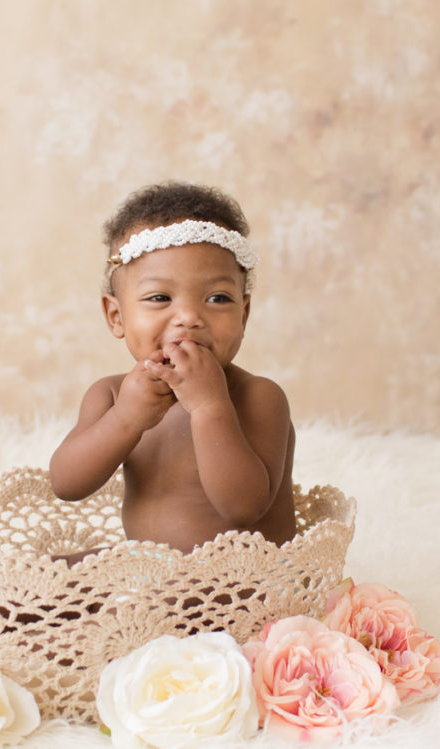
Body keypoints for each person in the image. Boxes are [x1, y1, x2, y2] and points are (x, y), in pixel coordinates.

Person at [49, 181, 295, 560]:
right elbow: (66, 483)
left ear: (243, 315)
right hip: (145, 569)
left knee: (119, 611)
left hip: (240, 586)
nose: (190, 318)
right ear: (116, 316)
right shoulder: (112, 395)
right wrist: (126, 418)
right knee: (34, 581)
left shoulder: (259, 397)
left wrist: (210, 406)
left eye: (217, 298)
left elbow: (244, 507)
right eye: (160, 298)